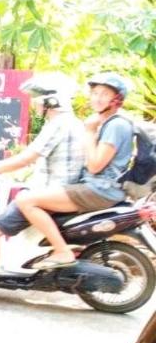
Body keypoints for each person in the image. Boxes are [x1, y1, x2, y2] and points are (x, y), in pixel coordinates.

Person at [0, 79, 84, 308]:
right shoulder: (73, 123)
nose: (35, 104)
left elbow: (26, 158)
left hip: (49, 193)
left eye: (38, 100)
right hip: (58, 190)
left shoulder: (58, 124)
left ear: (51, 101)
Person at [13, 72, 135, 270]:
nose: (97, 98)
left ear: (117, 99)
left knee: (25, 200)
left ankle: (62, 251)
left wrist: (89, 131)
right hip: (97, 187)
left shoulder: (117, 125)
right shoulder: (107, 123)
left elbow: (95, 165)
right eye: (95, 93)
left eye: (104, 94)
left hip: (100, 190)